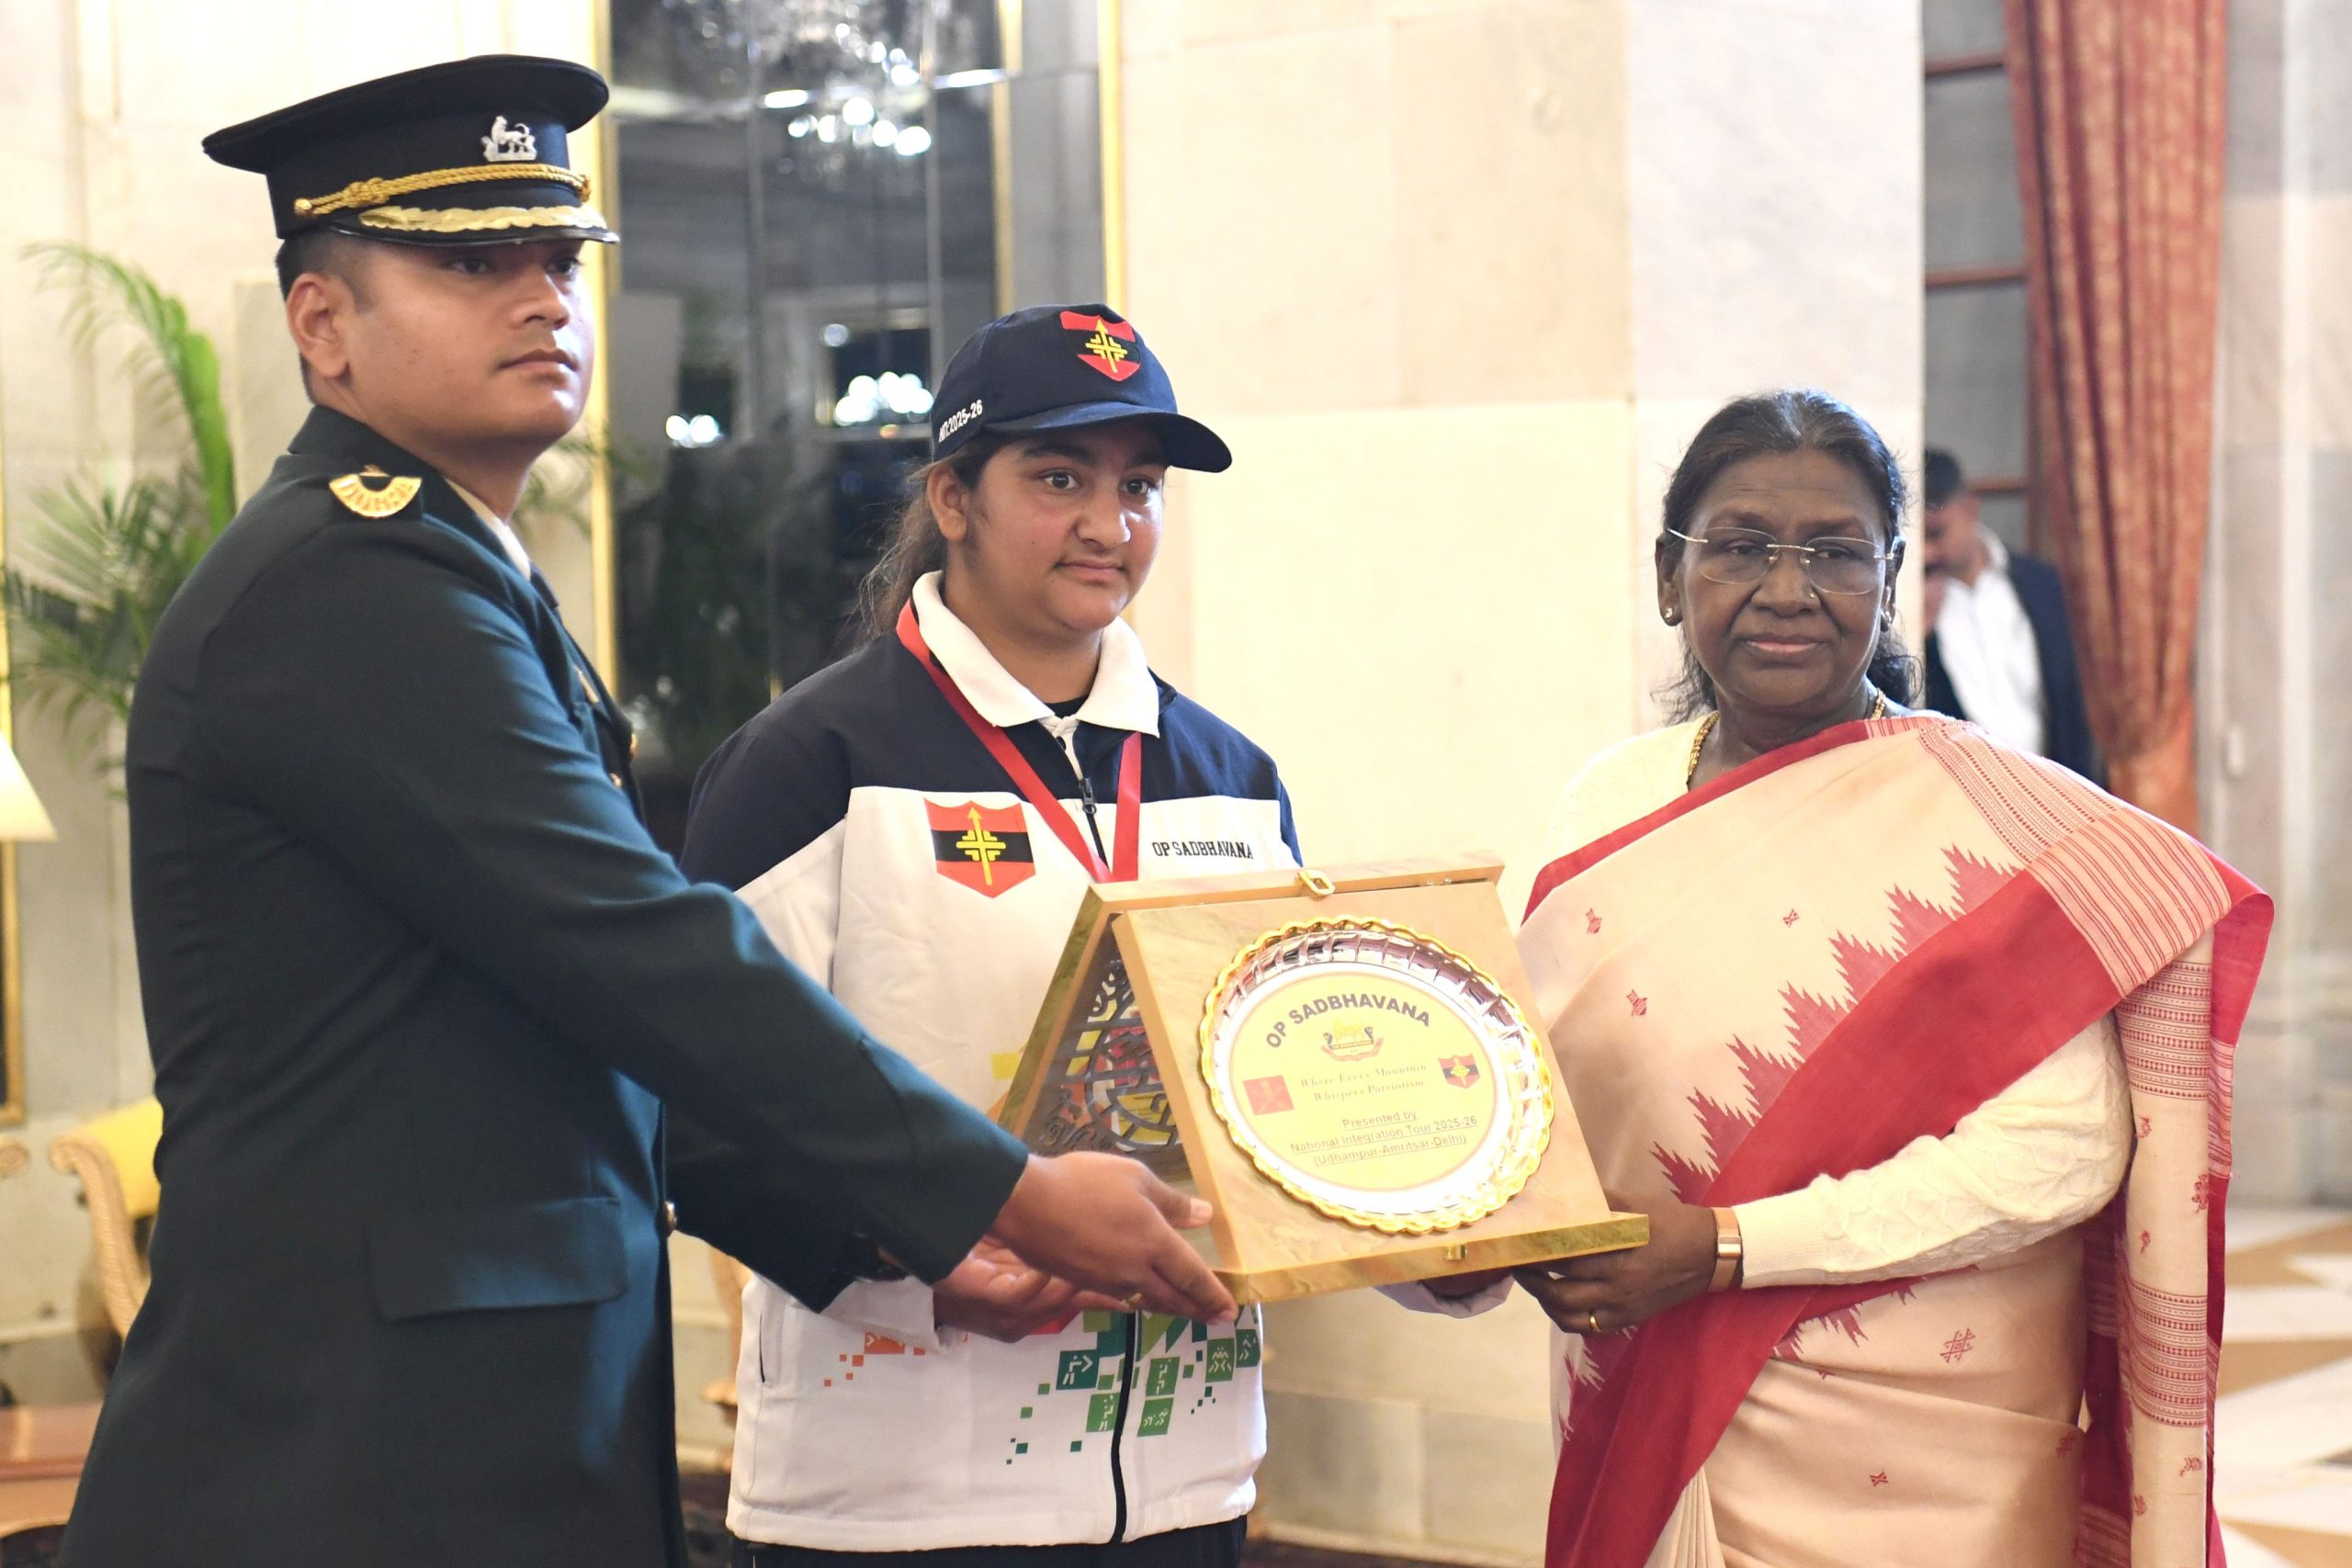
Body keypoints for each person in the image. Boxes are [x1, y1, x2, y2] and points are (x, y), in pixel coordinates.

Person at [60, 59, 1232, 1568]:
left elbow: (589, 1020)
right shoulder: (347, 587)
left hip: (468, 1429)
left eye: (560, 261)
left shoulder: (451, 569)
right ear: (322, 327)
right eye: (474, 264)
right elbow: (641, 953)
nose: (544, 301)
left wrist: (882, 1242)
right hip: (358, 1456)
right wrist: (999, 1189)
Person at [1419, 392, 2266, 1565]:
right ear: (1671, 579)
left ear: (1890, 579)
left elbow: (2061, 1151)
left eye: (1831, 552)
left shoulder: (1996, 829)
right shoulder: (1605, 802)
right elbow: (1543, 1094)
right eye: (1739, 548)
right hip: (1649, 1394)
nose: (1784, 588)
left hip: (1923, 1451)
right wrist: (1441, 1228)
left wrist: (1724, 1246)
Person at [681, 302, 1298, 1567]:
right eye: (1058, 476)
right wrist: (915, 1255)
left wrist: (1427, 1238)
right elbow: (693, 1107)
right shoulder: (812, 764)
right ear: (952, 496)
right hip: (899, 1499)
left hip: (1187, 1483)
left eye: (1140, 485)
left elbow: (1281, 1084)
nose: (1108, 523)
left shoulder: (1230, 776)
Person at [1917, 448, 2100, 782]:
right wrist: (1919, 635)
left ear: (1970, 509)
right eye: (1919, 538)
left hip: (2060, 789)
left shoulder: (2042, 585)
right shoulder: (1914, 603)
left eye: (1937, 533)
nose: (1928, 551)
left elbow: (2073, 699)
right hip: (1968, 802)